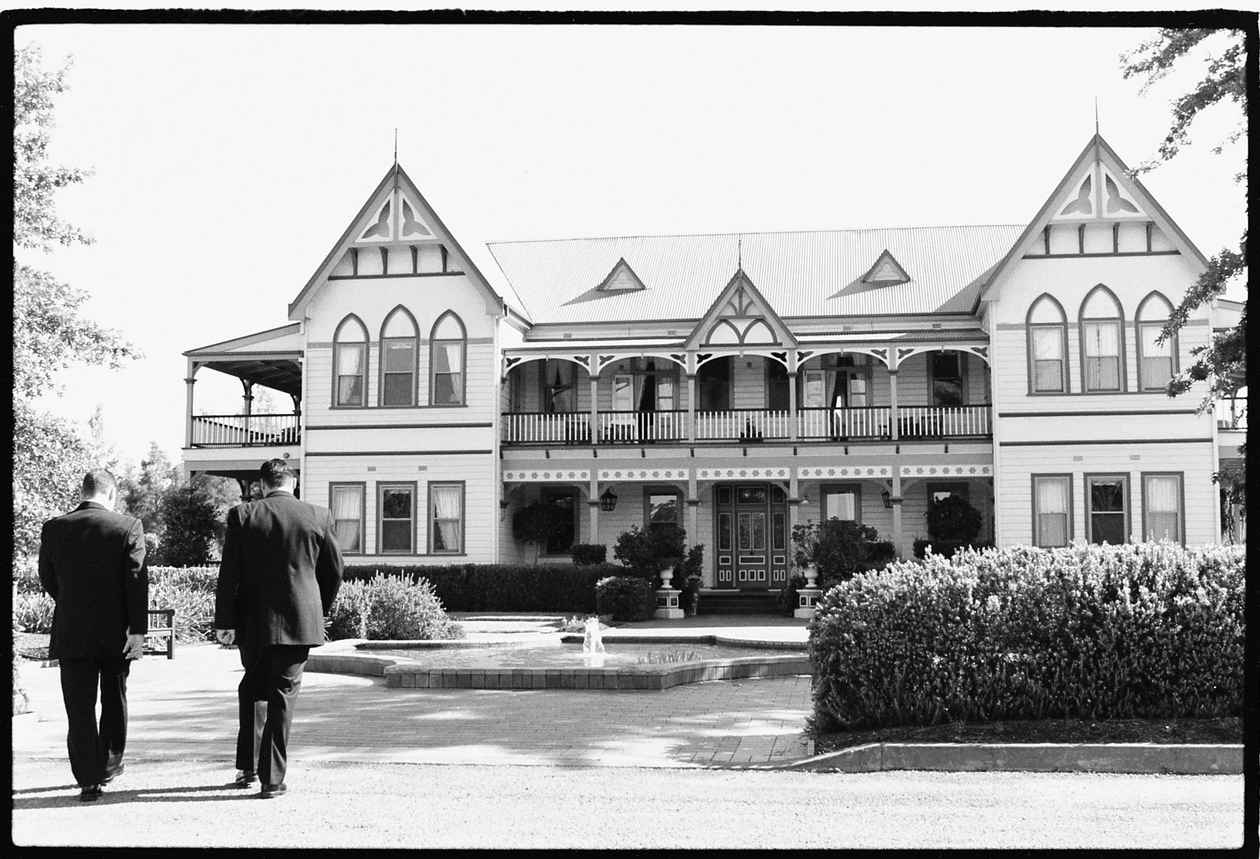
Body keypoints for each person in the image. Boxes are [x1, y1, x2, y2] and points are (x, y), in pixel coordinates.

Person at [214, 458, 343, 799]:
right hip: (299, 620)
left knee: (253, 688)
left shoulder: (243, 515)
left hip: (252, 622)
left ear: (262, 485)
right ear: (293, 482)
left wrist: (224, 622)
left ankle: (247, 766)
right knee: (282, 697)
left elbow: (229, 575)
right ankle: (271, 778)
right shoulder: (318, 516)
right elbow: (333, 571)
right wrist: (318, 608)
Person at [38, 469, 148, 802]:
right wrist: (138, 630)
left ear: (83, 491)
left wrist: (70, 603)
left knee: (79, 707)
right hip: (115, 633)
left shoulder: (55, 527)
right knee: (114, 699)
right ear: (111, 494)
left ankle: (87, 779)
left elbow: (47, 577)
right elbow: (136, 581)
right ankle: (109, 765)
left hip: (72, 631)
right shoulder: (127, 526)